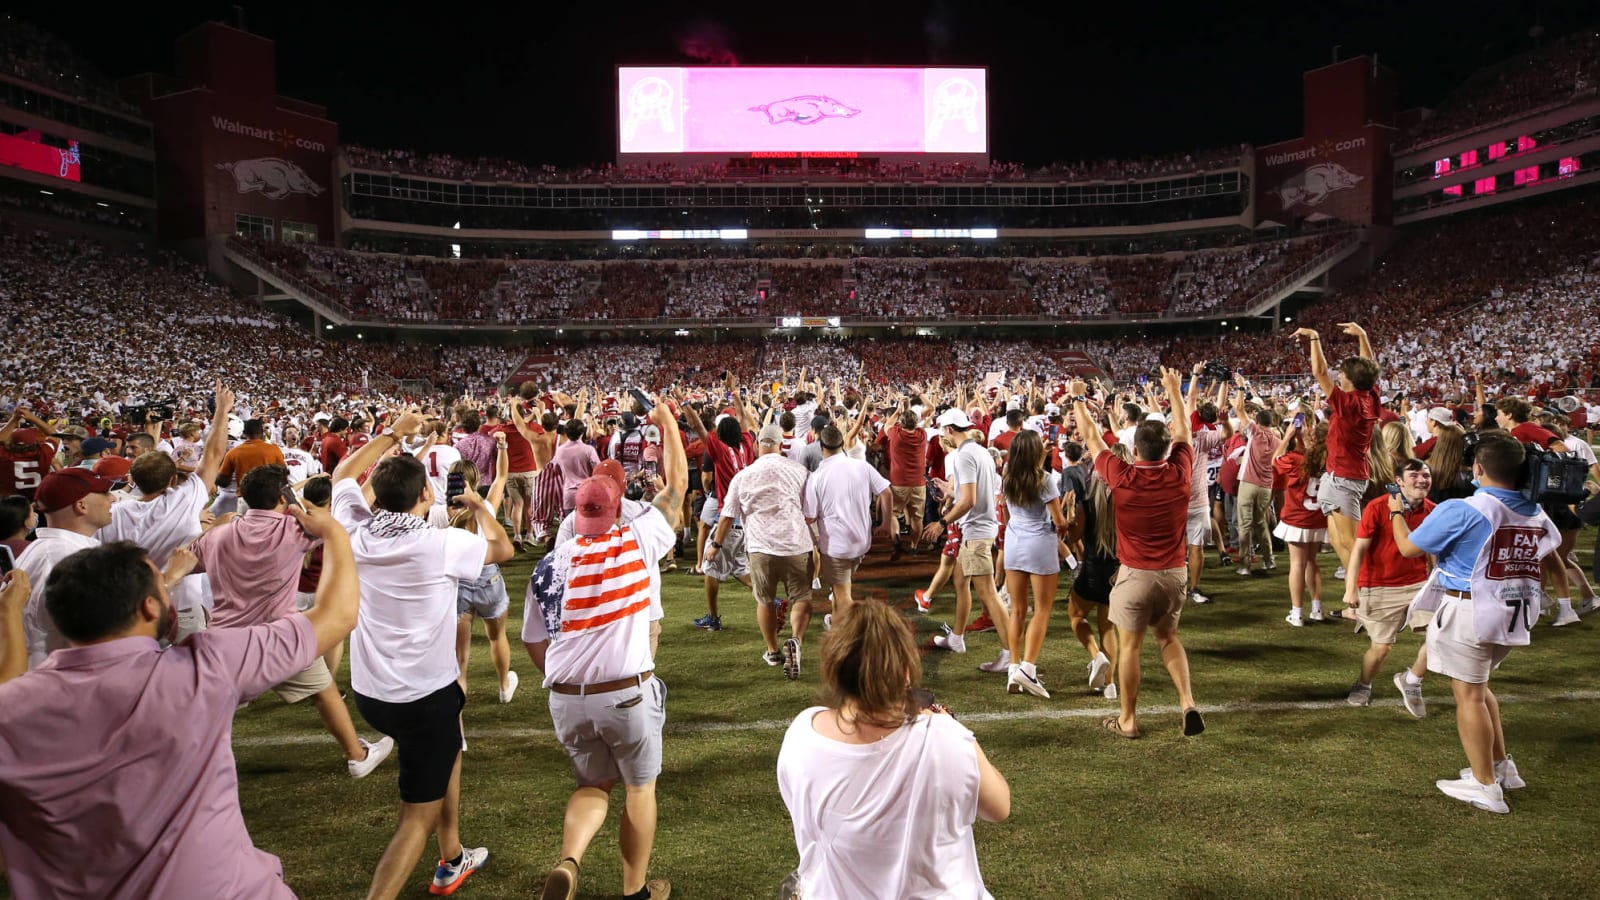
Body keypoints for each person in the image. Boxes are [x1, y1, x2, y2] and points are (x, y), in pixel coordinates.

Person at [0, 498, 359, 899]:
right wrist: (334, 531)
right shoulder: (205, 668)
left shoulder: (11, 709)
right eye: (163, 585)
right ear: (149, 606)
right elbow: (339, 614)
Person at [330, 409, 513, 899]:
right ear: (426, 495)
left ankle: (452, 855)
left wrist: (391, 433)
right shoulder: (441, 543)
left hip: (370, 691)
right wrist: (479, 506)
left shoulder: (353, 528)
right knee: (416, 816)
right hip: (423, 694)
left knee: (446, 754)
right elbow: (503, 550)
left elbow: (343, 475)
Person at [522, 397, 685, 900]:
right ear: (616, 511)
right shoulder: (634, 542)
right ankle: (634, 890)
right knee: (639, 789)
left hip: (566, 695)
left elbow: (534, 642)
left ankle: (569, 862)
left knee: (591, 787)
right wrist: (669, 423)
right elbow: (676, 489)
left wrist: (565, 679)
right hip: (626, 694)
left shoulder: (548, 566)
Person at [776, 599, 1009, 900]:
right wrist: (950, 725)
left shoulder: (802, 734)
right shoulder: (943, 739)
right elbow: (999, 806)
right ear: (905, 671)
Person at [1389, 431, 1567, 814]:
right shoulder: (1534, 509)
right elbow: (1547, 549)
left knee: (1468, 696)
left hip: (1471, 609)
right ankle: (1502, 768)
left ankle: (1486, 786)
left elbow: (1408, 548)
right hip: (1512, 611)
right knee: (1481, 688)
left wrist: (1395, 513)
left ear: (1479, 468)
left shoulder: (1466, 507)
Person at [194, 463, 395, 775]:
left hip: (226, 641)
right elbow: (338, 525)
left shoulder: (219, 536)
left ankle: (196, 763)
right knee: (324, 692)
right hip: (280, 638)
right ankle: (356, 755)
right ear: (282, 498)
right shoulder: (294, 530)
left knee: (212, 708)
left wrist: (211, 530)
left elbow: (187, 559)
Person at [1069, 369, 1203, 739]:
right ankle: (1187, 703)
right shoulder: (1179, 472)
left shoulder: (1122, 475)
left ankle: (1128, 719)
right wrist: (1175, 391)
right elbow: (1184, 431)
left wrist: (1079, 398)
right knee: (1169, 639)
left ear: (1137, 449)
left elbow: (1093, 437)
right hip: (1175, 573)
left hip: (1135, 575)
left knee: (1130, 647)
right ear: (1166, 448)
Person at [98, 381, 234, 643]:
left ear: (133, 478)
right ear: (173, 481)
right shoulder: (184, 499)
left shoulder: (112, 512)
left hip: (131, 608)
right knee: (187, 676)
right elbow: (214, 453)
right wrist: (222, 410)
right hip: (182, 604)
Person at [709, 422, 813, 676]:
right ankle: (796, 640)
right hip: (796, 542)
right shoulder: (799, 471)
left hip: (761, 546)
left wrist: (715, 545)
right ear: (781, 445)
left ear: (757, 446)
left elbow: (727, 516)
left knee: (765, 600)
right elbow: (809, 512)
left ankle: (774, 651)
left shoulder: (743, 476)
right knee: (801, 598)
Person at [1343, 458, 1435, 712]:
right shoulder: (1376, 507)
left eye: (1426, 475)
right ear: (1399, 481)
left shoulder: (1433, 510)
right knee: (1382, 647)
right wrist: (1351, 588)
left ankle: (1412, 680)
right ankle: (1364, 683)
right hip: (1379, 586)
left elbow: (1434, 553)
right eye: (1414, 475)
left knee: (1441, 637)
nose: (1422, 480)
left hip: (1419, 585)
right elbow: (1359, 549)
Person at [922, 409, 1011, 671]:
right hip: (978, 527)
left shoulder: (963, 456)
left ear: (950, 429)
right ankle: (957, 638)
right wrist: (948, 490)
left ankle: (1009, 655)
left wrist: (942, 522)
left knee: (988, 594)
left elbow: (969, 500)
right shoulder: (979, 451)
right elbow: (971, 492)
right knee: (961, 582)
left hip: (976, 530)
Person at [1292, 323, 1380, 587]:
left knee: (1352, 543)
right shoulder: (1370, 396)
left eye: (1341, 374)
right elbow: (1370, 366)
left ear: (1350, 379)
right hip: (1341, 476)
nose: (1338, 377)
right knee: (1341, 541)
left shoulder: (1349, 403)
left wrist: (1315, 338)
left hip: (1343, 478)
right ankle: (1355, 594)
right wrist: (1363, 336)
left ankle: (1365, 597)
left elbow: (1319, 371)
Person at [447, 440, 520, 714]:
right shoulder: (486, 508)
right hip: (487, 578)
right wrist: (502, 448)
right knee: (497, 636)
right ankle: (503, 686)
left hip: (457, 583)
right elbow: (502, 476)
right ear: (475, 482)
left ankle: (457, 720)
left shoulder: (439, 513)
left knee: (459, 659)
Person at [998, 429, 1070, 698]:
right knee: (1042, 610)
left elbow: (1005, 512)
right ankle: (1028, 668)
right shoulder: (1045, 480)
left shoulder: (1007, 476)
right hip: (1040, 544)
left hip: (1014, 544)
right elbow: (1059, 522)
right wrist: (1068, 513)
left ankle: (1013, 668)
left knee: (1017, 610)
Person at [19, 468, 116, 668]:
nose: (113, 498)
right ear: (81, 505)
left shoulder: (48, 549)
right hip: (49, 681)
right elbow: (99, 633)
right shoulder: (64, 557)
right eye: (104, 493)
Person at [1273, 418, 1330, 625]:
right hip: (1317, 517)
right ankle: (1317, 608)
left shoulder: (1297, 458)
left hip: (1297, 516)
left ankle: (1297, 613)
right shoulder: (1328, 458)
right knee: (1312, 562)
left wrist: (1288, 436)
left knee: (1297, 563)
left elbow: (1275, 460)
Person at [878, 398, 929, 560]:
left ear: (901, 422)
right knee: (917, 517)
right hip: (919, 483)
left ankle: (897, 540)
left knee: (892, 514)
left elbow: (887, 425)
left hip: (899, 482)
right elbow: (921, 422)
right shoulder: (922, 434)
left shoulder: (896, 434)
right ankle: (914, 546)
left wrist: (898, 410)